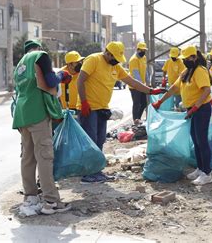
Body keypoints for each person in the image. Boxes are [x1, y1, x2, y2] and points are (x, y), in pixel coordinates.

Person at [77, 41, 165, 184]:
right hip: (89, 108)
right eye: (115, 58)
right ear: (108, 53)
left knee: (100, 140)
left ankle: (96, 171)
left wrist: (150, 91)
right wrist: (84, 102)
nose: (117, 61)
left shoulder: (116, 67)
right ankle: (87, 174)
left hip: (102, 108)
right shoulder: (93, 60)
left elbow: (132, 82)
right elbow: (80, 81)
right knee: (91, 141)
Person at [12, 39, 71, 215]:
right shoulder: (40, 56)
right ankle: (51, 201)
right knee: (45, 157)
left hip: (22, 115)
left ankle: (31, 196)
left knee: (28, 158)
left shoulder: (20, 65)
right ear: (38, 48)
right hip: (38, 113)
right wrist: (63, 75)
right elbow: (51, 81)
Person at [152, 45, 212, 185]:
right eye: (184, 59)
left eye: (187, 58)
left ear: (195, 57)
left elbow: (206, 90)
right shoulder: (187, 71)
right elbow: (174, 88)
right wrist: (160, 101)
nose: (185, 61)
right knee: (195, 140)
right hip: (192, 110)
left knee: (202, 141)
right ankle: (200, 168)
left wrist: (196, 107)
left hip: (201, 109)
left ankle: (207, 173)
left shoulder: (200, 71)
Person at [128, 42, 148, 121]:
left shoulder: (144, 58)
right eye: (141, 50)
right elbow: (136, 75)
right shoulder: (134, 60)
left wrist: (147, 82)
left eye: (144, 50)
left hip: (141, 85)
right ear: (137, 50)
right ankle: (135, 120)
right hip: (135, 86)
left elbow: (145, 71)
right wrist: (142, 86)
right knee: (136, 104)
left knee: (144, 103)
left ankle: (138, 119)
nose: (143, 52)